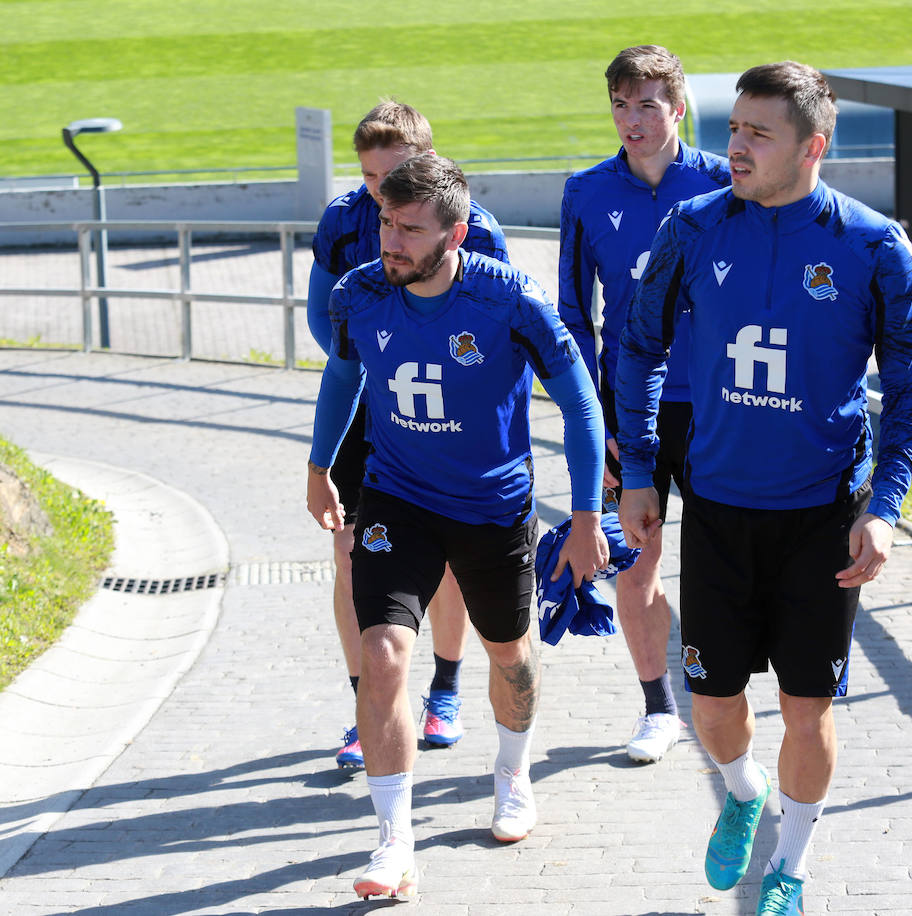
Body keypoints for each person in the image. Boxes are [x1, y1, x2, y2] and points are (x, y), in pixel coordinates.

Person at [615, 61, 912, 914]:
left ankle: (789, 865)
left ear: (814, 147)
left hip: (821, 518)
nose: (735, 146)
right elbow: (635, 346)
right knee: (712, 708)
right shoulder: (691, 226)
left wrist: (887, 508)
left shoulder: (873, 246)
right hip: (716, 509)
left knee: (806, 706)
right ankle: (745, 792)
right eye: (734, 127)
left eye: (759, 133)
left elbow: (910, 388)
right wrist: (639, 471)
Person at [306, 153, 607, 900]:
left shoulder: (510, 300)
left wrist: (585, 517)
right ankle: (393, 844)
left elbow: (579, 403)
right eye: (385, 222)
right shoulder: (360, 294)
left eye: (410, 229)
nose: (392, 241)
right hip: (396, 501)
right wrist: (317, 468)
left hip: (489, 509)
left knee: (510, 656)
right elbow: (343, 377)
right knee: (380, 657)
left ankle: (512, 770)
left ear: (457, 234)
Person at [308, 101, 510, 769]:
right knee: (349, 555)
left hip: (448, 413)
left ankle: (444, 691)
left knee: (447, 556)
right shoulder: (342, 222)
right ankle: (368, 703)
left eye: (390, 173)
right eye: (367, 175)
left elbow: (500, 324)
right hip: (372, 408)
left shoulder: (475, 228)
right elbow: (322, 322)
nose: (376, 190)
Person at [558, 44, 729, 764]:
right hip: (630, 413)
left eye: (648, 105)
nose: (633, 121)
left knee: (724, 565)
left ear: (679, 107)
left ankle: (722, 698)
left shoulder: (727, 184)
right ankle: (659, 707)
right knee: (635, 563)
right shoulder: (585, 191)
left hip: (722, 406)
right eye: (621, 106)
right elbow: (571, 314)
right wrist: (597, 414)